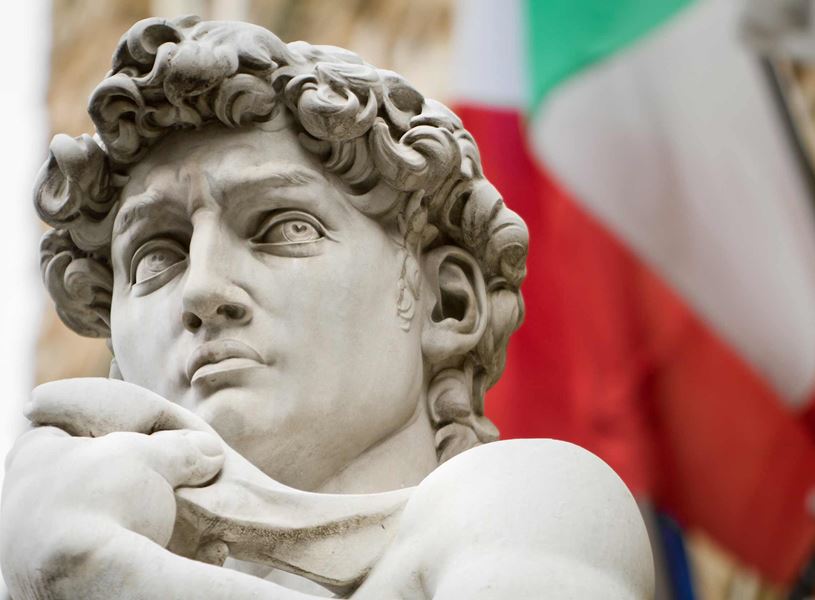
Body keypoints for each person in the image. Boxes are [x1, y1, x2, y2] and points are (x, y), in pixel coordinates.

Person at [0, 16, 654, 599]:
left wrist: (121, 576)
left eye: (283, 227)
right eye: (155, 257)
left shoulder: (524, 503)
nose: (201, 289)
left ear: (446, 304)